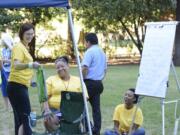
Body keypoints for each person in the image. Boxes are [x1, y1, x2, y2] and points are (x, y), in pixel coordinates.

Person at [7, 23, 40, 135]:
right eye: (27, 34)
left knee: (21, 118)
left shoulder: (24, 47)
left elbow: (23, 68)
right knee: (25, 117)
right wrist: (31, 65)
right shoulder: (18, 47)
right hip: (16, 86)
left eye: (32, 34)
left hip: (20, 86)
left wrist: (30, 81)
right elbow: (16, 65)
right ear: (22, 34)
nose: (30, 36)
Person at [42, 56, 88, 130]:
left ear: (68, 66)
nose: (60, 69)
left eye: (62, 66)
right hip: (56, 111)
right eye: (58, 67)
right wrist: (47, 109)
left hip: (73, 111)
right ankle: (59, 132)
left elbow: (85, 97)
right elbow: (44, 97)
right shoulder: (51, 80)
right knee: (48, 119)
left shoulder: (78, 80)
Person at [82, 33, 107, 135]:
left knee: (79, 106)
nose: (84, 44)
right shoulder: (102, 52)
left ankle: (89, 128)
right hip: (98, 83)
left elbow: (85, 67)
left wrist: (82, 80)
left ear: (88, 42)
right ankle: (96, 130)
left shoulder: (90, 51)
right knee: (96, 109)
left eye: (85, 42)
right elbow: (105, 70)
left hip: (89, 83)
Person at [0, 33, 13, 111]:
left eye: (3, 40)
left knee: (10, 89)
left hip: (10, 71)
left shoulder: (12, 50)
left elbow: (14, 61)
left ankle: (11, 107)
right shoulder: (3, 50)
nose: (2, 42)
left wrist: (4, 60)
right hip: (3, 70)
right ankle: (6, 107)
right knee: (4, 89)